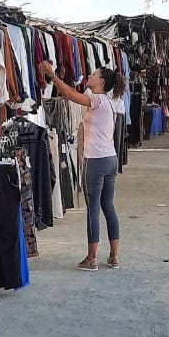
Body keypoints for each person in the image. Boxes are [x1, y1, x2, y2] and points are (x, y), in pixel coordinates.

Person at [39, 60, 126, 271]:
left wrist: (52, 75)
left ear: (101, 81)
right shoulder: (109, 102)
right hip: (110, 159)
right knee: (109, 207)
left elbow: (70, 94)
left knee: (93, 209)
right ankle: (114, 256)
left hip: (95, 161)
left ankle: (92, 258)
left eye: (94, 74)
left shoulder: (95, 99)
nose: (90, 76)